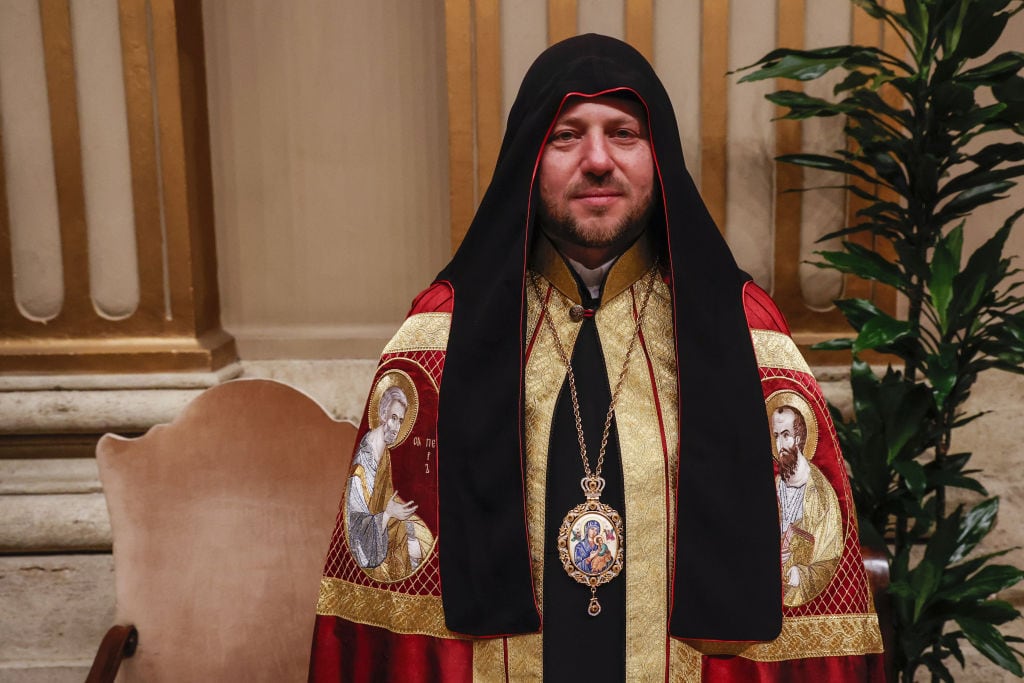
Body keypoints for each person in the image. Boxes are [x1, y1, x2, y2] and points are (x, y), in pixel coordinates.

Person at [310, 34, 884, 681]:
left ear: (659, 154)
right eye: (566, 136)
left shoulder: (750, 339)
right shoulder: (436, 343)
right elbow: (393, 620)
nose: (597, 159)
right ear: (529, 156)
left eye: (623, 133)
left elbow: (804, 598)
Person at [346, 386, 431, 581]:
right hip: (370, 539)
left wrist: (396, 510)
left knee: (424, 535)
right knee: (415, 544)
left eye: (400, 421)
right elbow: (355, 527)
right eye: (393, 418)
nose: (396, 427)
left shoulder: (384, 452)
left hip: (383, 520)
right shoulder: (361, 466)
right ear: (383, 414)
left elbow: (385, 496)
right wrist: (388, 514)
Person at [772, 404, 843, 606]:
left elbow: (831, 556)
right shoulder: (775, 485)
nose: (780, 445)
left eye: (786, 435)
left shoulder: (819, 491)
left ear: (799, 437)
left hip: (800, 592)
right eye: (776, 436)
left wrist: (800, 574)